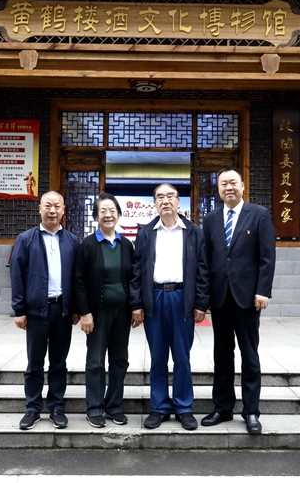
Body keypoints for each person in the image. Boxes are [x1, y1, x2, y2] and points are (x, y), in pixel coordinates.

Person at [201, 166, 276, 435]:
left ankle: (251, 411)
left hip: (248, 298)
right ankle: (222, 407)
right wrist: (204, 297)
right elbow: (206, 260)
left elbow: (267, 257)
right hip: (220, 298)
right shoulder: (210, 219)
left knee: (249, 355)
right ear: (218, 189)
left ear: (243, 186)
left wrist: (263, 291)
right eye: (223, 184)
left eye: (233, 182)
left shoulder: (259, 214)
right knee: (222, 355)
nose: (228, 188)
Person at [131, 183, 209, 430]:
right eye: (160, 197)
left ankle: (184, 407)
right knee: (158, 357)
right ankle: (159, 407)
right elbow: (136, 271)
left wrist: (201, 303)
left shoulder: (193, 232)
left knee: (182, 357)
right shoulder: (145, 233)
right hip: (154, 298)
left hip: (182, 298)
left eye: (170, 196)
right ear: (154, 203)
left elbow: (203, 270)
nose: (165, 201)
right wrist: (136, 303)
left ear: (178, 201)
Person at [10, 191, 79, 430]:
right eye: (48, 206)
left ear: (63, 210)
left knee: (59, 362)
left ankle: (57, 407)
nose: (52, 211)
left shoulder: (72, 241)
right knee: (35, 363)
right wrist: (19, 310)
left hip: (62, 310)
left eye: (57, 206)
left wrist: (76, 308)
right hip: (36, 311)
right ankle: (33, 408)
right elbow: (17, 276)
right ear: (39, 209)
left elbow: (77, 278)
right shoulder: (25, 239)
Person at [74, 193, 135, 428]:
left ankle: (114, 405)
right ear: (96, 216)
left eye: (112, 211)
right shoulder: (89, 245)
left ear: (118, 214)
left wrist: (135, 307)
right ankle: (95, 407)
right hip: (97, 314)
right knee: (96, 361)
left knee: (120, 360)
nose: (108, 215)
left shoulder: (126, 244)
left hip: (122, 314)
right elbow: (79, 281)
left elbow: (133, 279)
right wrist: (85, 312)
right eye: (103, 211)